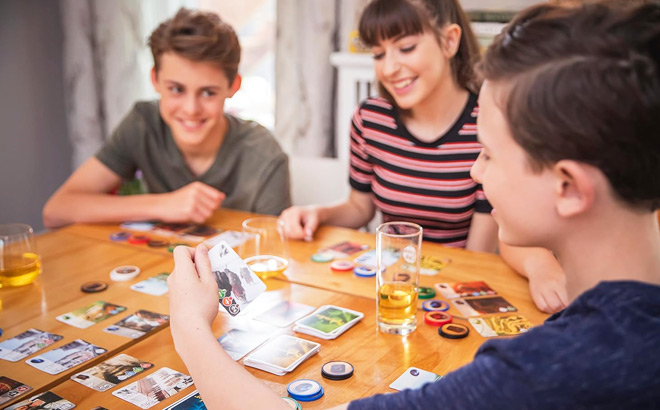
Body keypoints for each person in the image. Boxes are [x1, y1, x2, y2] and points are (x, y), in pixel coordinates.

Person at [166, 1, 660, 408]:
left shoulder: (546, 371)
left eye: (489, 153)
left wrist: (190, 327)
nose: (474, 171)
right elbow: (359, 204)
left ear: (569, 187)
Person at [279, 0, 566, 313]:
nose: (388, 68)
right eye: (378, 53)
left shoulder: (486, 126)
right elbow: (359, 207)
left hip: (454, 289)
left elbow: (479, 251)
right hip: (392, 286)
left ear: (449, 41)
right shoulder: (370, 119)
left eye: (406, 47)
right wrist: (317, 214)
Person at [43, 8, 291, 229]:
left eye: (208, 92)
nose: (191, 109)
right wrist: (163, 204)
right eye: (176, 89)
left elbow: (276, 252)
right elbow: (56, 211)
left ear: (233, 86)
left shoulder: (264, 153)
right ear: (155, 80)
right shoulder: (143, 124)